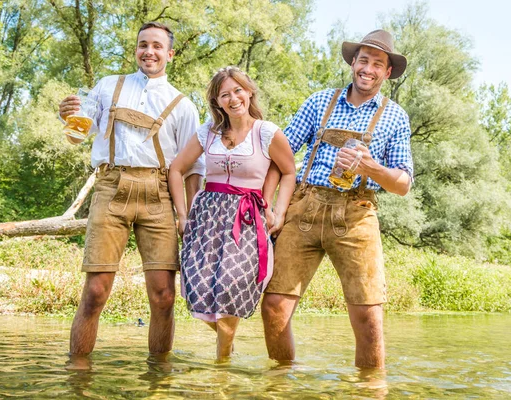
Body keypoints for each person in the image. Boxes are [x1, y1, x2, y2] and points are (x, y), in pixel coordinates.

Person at [261, 29, 413, 369]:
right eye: (363, 60)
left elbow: (403, 183)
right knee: (273, 306)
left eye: (377, 63)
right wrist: (269, 207)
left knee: (369, 318)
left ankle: (370, 391)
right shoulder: (319, 102)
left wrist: (370, 167)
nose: (368, 69)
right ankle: (283, 385)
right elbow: (279, 155)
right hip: (304, 209)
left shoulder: (395, 116)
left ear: (387, 72)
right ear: (353, 63)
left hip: (357, 215)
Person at [58, 22, 204, 367]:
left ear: (170, 54)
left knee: (164, 296)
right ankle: (78, 373)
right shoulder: (108, 87)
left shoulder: (183, 105)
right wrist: (66, 117)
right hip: (111, 187)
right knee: (95, 292)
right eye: (142, 45)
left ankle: (159, 373)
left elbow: (193, 169)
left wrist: (188, 215)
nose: (148, 51)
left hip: (159, 196)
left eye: (156, 46)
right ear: (136, 50)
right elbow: (77, 137)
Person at [168, 66, 296, 359]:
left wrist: (278, 211)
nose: (233, 98)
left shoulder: (267, 133)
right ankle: (227, 345)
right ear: (217, 102)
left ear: (249, 91)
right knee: (199, 288)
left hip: (246, 218)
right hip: (206, 218)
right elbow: (176, 169)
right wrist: (183, 214)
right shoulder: (208, 132)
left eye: (238, 90)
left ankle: (222, 360)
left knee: (228, 287)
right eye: (224, 94)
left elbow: (289, 171)